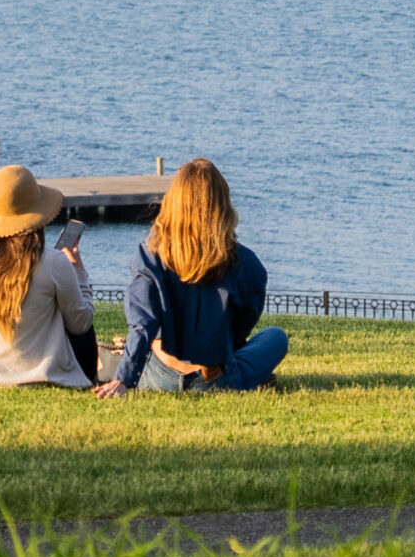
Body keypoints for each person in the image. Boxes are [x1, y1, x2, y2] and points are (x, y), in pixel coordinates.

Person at [95, 157, 286, 397]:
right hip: (216, 378)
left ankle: (122, 361)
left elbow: (143, 323)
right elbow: (244, 322)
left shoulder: (149, 254)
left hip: (159, 375)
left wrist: (124, 380)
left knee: (149, 342)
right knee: (275, 337)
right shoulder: (244, 261)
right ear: (221, 204)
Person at [0, 166, 93, 391]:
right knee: (80, 319)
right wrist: (79, 273)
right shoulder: (53, 262)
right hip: (35, 378)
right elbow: (80, 324)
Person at [57, 218, 101, 383]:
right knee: (81, 327)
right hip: (44, 366)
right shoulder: (47, 264)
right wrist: (78, 270)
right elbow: (81, 322)